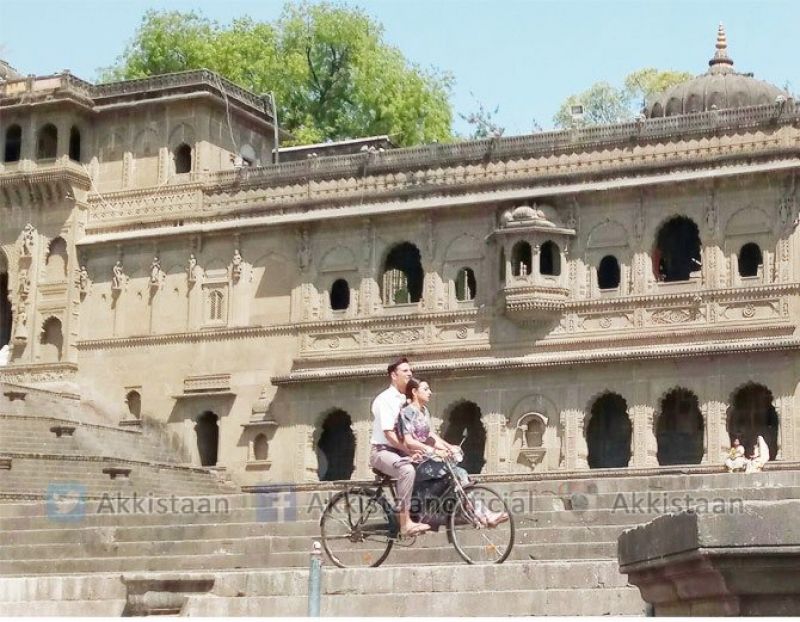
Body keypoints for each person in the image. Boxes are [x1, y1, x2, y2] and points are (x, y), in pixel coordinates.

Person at [397, 377, 508, 528]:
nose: (430, 392)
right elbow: (409, 441)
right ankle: (479, 514)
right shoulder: (407, 413)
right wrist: (432, 450)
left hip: (430, 459)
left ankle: (477, 513)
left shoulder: (424, 411)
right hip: (418, 462)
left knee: (459, 473)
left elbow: (430, 436)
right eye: (426, 389)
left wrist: (448, 447)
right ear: (414, 392)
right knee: (459, 473)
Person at [369, 358, 430, 537]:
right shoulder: (386, 399)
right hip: (382, 452)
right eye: (405, 371)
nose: (410, 373)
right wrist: (409, 450)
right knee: (407, 470)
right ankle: (405, 523)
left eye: (410, 370)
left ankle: (421, 513)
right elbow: (389, 434)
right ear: (394, 375)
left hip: (399, 451)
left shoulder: (407, 400)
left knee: (429, 465)